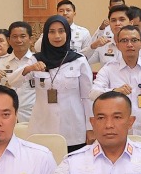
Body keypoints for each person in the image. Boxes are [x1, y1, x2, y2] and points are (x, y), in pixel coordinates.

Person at [92, 25, 141, 148]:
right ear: (118, 45)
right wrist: (113, 92)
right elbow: (93, 93)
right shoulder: (109, 69)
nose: (129, 44)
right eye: (124, 40)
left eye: (134, 40)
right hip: (118, 134)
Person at [23, 15, 94, 151]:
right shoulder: (35, 60)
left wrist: (90, 127)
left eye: (61, 31)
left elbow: (87, 97)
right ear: (46, 35)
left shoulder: (79, 60)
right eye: (52, 31)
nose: (57, 36)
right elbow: (14, 81)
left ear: (67, 33)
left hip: (73, 127)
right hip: (42, 126)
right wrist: (29, 68)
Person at [0, 21, 38, 123]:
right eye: (14, 37)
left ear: (31, 39)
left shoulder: (38, 62)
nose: (19, 40)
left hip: (33, 115)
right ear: (9, 40)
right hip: (5, 115)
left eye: (23, 36)